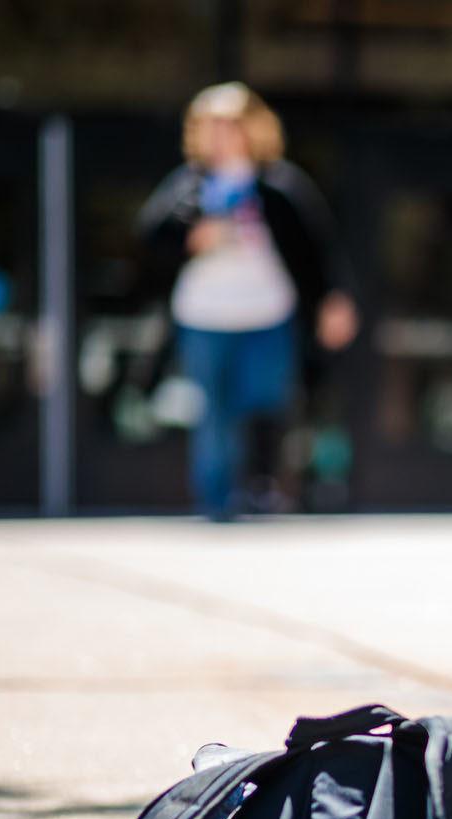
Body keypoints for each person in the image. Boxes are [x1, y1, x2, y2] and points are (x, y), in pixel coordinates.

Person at [136, 82, 356, 521]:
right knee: (214, 411)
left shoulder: (279, 185)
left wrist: (334, 300)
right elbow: (151, 237)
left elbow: (317, 249)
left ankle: (261, 488)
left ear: (252, 129)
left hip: (267, 314)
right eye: (212, 127)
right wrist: (193, 238)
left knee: (266, 399)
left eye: (231, 126)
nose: (222, 136)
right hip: (204, 316)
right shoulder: (189, 186)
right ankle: (218, 501)